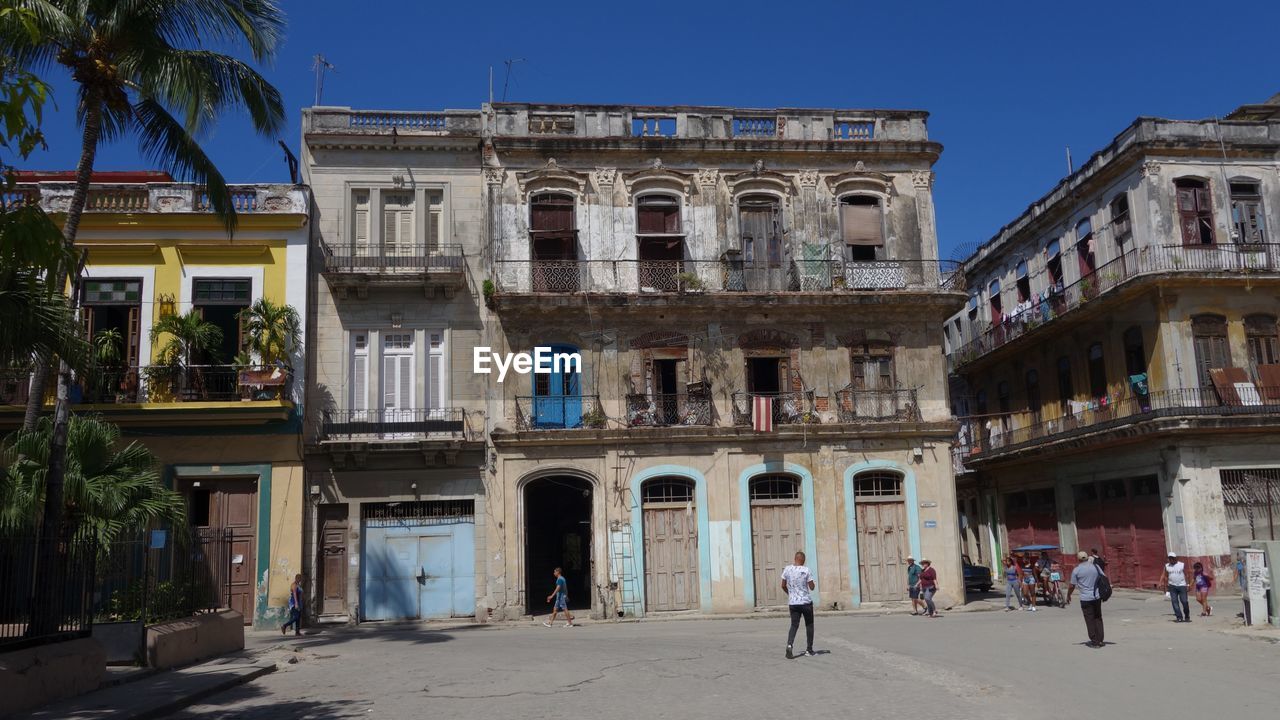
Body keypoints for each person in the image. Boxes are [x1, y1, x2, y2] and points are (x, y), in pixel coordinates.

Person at [782, 551, 817, 658]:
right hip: (805, 602)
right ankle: (809, 650)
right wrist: (811, 583)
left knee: (794, 625)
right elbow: (812, 587)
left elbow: (783, 585)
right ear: (803, 560)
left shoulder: (787, 569)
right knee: (809, 625)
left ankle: (789, 645)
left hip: (793, 603)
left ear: (794, 558)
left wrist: (791, 594)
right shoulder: (806, 570)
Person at [1067, 551, 1104, 648]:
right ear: (1088, 558)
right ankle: (1100, 639)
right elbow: (1103, 577)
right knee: (1098, 617)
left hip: (1085, 598)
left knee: (1089, 619)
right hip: (1096, 596)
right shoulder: (1096, 567)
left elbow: (1071, 585)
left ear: (1078, 559)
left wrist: (1068, 595)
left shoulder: (1076, 570)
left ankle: (1095, 641)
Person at [1161, 553, 1191, 622]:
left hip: (1182, 586)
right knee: (1174, 602)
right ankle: (1179, 617)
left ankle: (1187, 616)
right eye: (1170, 558)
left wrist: (1188, 585)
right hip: (1172, 586)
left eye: (1172, 558)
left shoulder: (1181, 564)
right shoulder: (1167, 566)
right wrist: (1165, 587)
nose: (1171, 559)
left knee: (1184, 601)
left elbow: (1187, 575)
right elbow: (1166, 576)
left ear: (1176, 558)